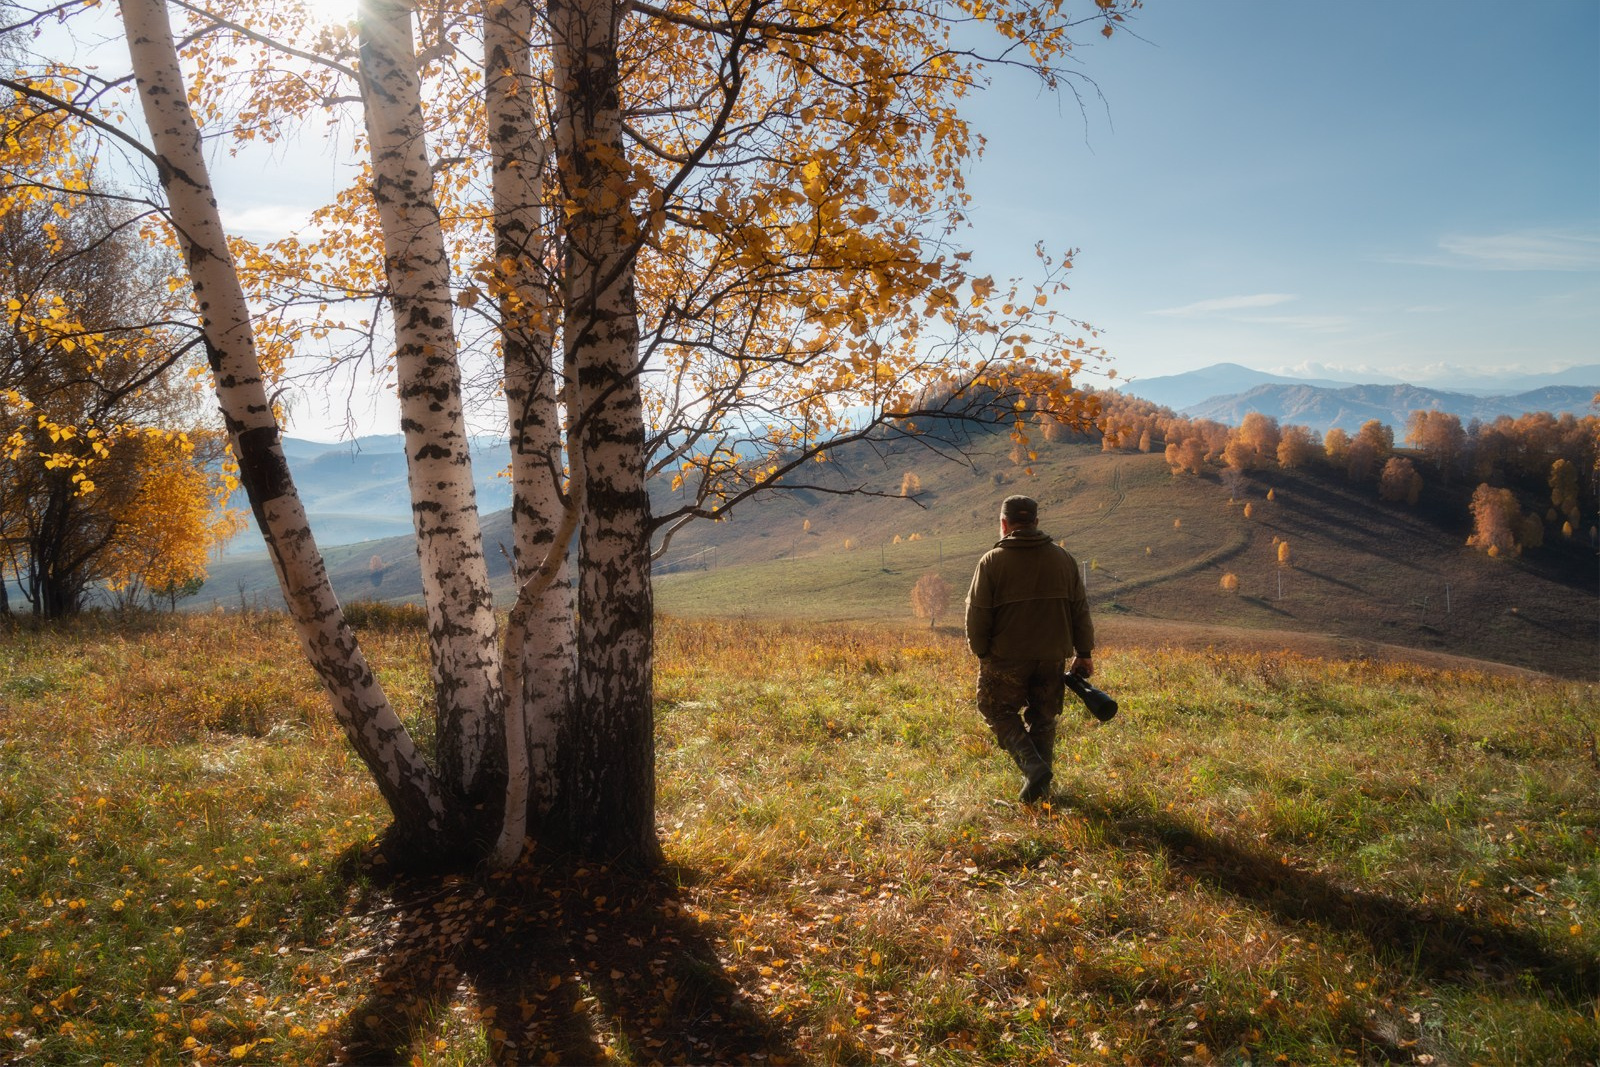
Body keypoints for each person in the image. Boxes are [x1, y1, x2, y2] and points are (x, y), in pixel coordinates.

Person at [964, 494, 1095, 803]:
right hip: (1052, 656)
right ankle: (1038, 797)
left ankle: (1033, 767)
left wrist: (981, 652)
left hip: (1006, 656)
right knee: (1044, 718)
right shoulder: (1063, 559)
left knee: (996, 709)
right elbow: (1080, 609)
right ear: (1036, 523)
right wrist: (1084, 652)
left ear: (1004, 524)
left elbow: (978, 613)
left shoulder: (992, 562)